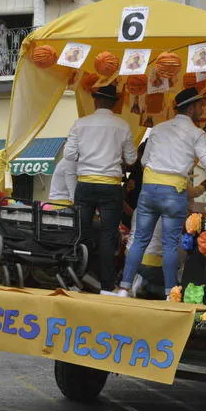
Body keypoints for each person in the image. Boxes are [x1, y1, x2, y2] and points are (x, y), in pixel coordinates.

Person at [117, 88, 206, 298]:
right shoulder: (196, 133)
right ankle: (170, 293)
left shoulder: (158, 129)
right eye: (200, 105)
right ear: (192, 107)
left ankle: (123, 288)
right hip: (173, 192)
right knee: (169, 244)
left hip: (149, 189)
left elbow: (145, 161)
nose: (202, 109)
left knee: (140, 239)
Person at [64, 84, 137, 292]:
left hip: (85, 184)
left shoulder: (80, 124)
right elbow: (132, 158)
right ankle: (106, 285)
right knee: (108, 235)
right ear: (114, 104)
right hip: (110, 186)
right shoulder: (121, 125)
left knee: (80, 233)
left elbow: (69, 155)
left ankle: (76, 280)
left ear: (95, 101)